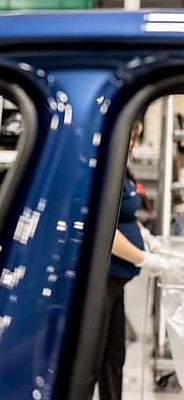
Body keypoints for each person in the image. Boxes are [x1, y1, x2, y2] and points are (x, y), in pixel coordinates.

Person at [85, 119, 180, 400]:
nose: (133, 145)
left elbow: (123, 216)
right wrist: (144, 259)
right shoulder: (100, 171)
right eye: (131, 137)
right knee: (90, 359)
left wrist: (146, 238)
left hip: (117, 281)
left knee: (114, 356)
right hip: (100, 278)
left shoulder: (120, 170)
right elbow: (104, 229)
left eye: (136, 138)